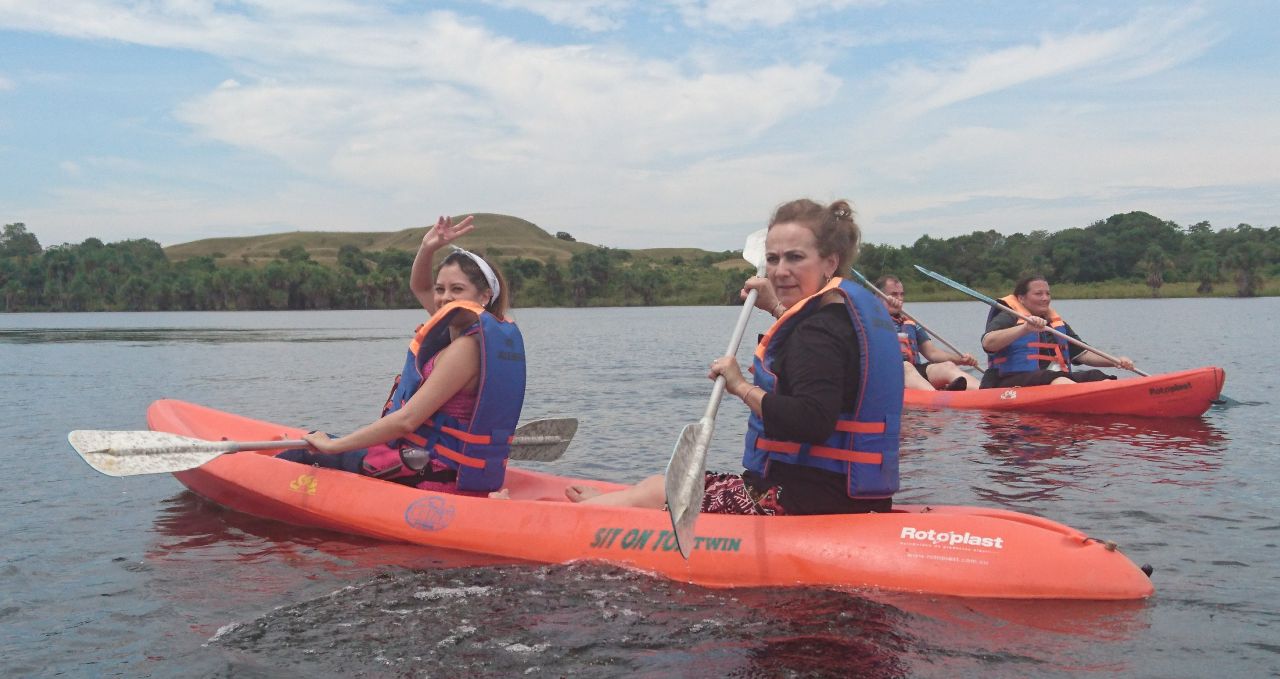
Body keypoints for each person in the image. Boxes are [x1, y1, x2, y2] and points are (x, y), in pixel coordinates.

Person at [565, 198, 902, 515]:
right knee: (660, 485)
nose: (780, 270)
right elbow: (819, 355)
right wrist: (777, 308)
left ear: (830, 262)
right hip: (853, 496)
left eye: (795, 257)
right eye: (773, 258)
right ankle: (618, 501)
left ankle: (587, 515)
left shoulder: (816, 333)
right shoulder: (844, 316)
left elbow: (811, 422)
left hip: (804, 501)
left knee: (660, 491)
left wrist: (740, 386)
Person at [276, 216, 526, 496]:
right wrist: (427, 247)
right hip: (429, 461)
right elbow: (420, 286)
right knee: (318, 440)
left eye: (457, 289)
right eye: (441, 289)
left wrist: (334, 446)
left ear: (484, 296)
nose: (444, 298)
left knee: (305, 454)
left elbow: (407, 420)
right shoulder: (460, 329)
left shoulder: (466, 349)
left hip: (432, 471)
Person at [979, 274, 1135, 388]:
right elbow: (988, 342)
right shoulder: (1009, 316)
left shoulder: (1055, 324)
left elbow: (1084, 354)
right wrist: (1024, 328)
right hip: (1009, 381)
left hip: (1053, 378)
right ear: (1021, 298)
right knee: (1054, 378)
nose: (1045, 298)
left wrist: (1115, 361)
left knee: (1095, 376)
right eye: (1038, 294)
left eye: (1047, 293)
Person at [874, 274, 978, 391]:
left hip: (915, 373)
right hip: (887, 376)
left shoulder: (910, 322)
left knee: (948, 366)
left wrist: (960, 360)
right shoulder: (870, 319)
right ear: (878, 296)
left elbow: (932, 353)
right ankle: (937, 398)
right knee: (906, 366)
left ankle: (985, 392)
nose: (899, 298)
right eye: (893, 294)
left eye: (901, 294)